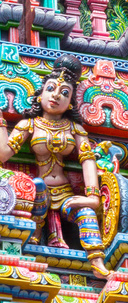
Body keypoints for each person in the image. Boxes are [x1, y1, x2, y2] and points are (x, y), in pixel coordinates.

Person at [0, 56, 109, 278]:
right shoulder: (29, 124)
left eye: (65, 93)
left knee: (86, 212)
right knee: (37, 193)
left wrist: (93, 197)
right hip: (39, 192)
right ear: (40, 94)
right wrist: (1, 122)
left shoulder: (75, 128)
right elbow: (3, 155)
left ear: (70, 103)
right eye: (51, 88)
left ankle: (97, 262)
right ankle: (28, 252)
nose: (57, 94)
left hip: (66, 192)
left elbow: (87, 160)